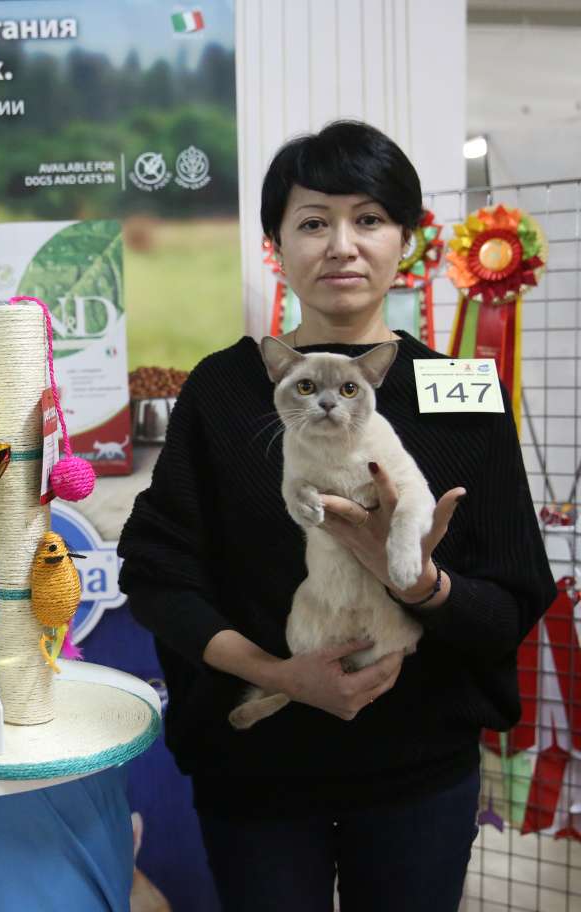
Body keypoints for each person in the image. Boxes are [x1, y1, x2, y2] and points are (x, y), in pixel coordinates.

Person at [117, 120, 555, 912]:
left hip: (420, 775)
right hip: (258, 777)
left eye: (370, 219)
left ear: (408, 241)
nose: (343, 246)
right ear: (276, 245)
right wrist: (277, 675)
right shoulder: (224, 390)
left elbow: (513, 598)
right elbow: (157, 575)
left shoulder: (462, 392)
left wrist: (421, 586)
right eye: (315, 221)